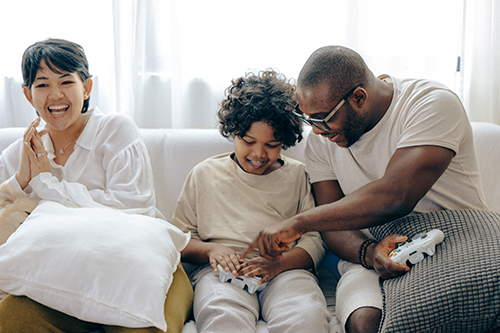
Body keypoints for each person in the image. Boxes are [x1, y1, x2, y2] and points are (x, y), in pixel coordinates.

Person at [242, 46, 492, 333]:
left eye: (323, 118)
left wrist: (298, 223)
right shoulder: (321, 141)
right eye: (309, 119)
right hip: (371, 255)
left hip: (454, 240)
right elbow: (333, 224)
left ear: (359, 97)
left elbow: (395, 195)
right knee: (365, 323)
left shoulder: (430, 103)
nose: (318, 131)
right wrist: (370, 253)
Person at [0, 38, 193, 333]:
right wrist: (22, 181)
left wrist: (46, 185)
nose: (55, 95)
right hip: (57, 282)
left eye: (66, 81)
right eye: (42, 85)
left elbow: (135, 206)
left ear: (86, 87)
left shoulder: (115, 130)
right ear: (28, 95)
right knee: (9, 318)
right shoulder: (20, 152)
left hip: (139, 271)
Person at [170, 70, 331, 333]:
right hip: (222, 272)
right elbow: (179, 238)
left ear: (285, 141)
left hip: (285, 270)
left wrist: (278, 264)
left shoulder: (298, 175)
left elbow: (314, 239)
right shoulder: (204, 174)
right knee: (222, 316)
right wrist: (212, 251)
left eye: (272, 144)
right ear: (233, 131)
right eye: (248, 141)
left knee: (307, 316)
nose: (258, 153)